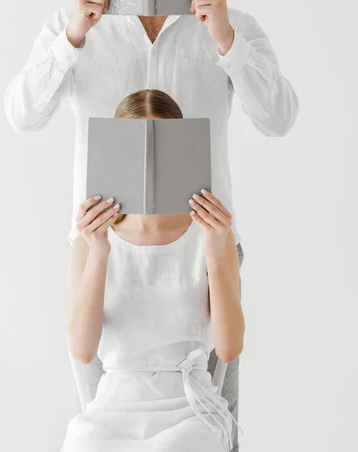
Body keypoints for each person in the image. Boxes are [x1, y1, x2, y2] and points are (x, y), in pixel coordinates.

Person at [3, 0, 299, 452]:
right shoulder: (72, 26)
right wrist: (74, 38)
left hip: (204, 240)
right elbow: (21, 114)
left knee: (216, 420)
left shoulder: (231, 26)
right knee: (102, 420)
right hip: (101, 241)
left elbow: (279, 118)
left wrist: (224, 41)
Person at [62, 88, 245, 452]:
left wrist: (212, 250)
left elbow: (228, 348)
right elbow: (82, 351)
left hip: (190, 409)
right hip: (114, 407)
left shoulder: (211, 235)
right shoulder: (90, 239)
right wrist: (99, 252)